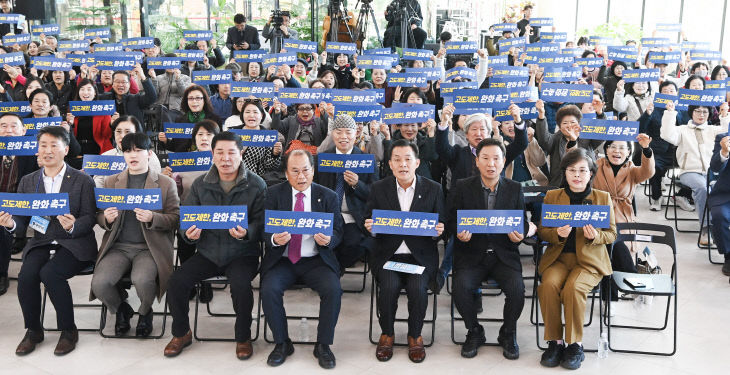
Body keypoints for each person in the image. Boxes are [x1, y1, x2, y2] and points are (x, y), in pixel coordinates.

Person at [163, 131, 266, 359]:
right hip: (208, 252)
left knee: (241, 287)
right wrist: (189, 234)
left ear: (242, 153)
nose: (225, 158)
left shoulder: (256, 185)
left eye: (231, 152)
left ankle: (243, 336)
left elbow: (261, 222)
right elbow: (186, 220)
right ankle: (181, 332)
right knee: (177, 282)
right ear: (212, 154)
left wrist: (247, 232)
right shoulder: (200, 184)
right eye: (220, 152)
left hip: (242, 253)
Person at [2, 127, 98, 356]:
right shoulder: (28, 181)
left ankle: (68, 330)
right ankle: (34, 330)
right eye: (43, 145)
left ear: (65, 149)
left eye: (54, 145)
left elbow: (91, 217)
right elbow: (22, 220)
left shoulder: (82, 180)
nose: (48, 150)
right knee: (26, 276)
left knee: (51, 273)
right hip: (42, 240)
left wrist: (73, 225)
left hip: (74, 242)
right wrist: (10, 224)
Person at [448, 138, 533, 360]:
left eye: (496, 158)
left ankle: (508, 332)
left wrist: (519, 234)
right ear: (477, 161)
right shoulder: (463, 186)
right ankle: (474, 330)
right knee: (460, 288)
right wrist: (458, 231)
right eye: (485, 158)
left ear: (504, 161)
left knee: (517, 291)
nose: (491, 164)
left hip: (503, 254)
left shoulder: (514, 189)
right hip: (471, 253)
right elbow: (450, 220)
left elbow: (521, 221)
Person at [260, 149, 344, 369]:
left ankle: (323, 345)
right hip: (283, 259)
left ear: (313, 171)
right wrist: (275, 240)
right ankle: (282, 343)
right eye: (294, 171)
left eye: (306, 170)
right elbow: (263, 230)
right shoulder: (273, 194)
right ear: (286, 174)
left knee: (333, 289)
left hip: (316, 259)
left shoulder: (328, 196)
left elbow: (338, 231)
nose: (301, 176)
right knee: (268, 289)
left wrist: (328, 240)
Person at [90, 133, 179, 337]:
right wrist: (107, 219)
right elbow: (99, 215)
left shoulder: (166, 183)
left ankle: (145, 311)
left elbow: (175, 218)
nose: (133, 155)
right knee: (100, 283)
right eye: (128, 150)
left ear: (149, 153)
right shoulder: (112, 181)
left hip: (149, 248)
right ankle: (121, 308)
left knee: (143, 279)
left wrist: (152, 218)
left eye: (138, 150)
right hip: (118, 246)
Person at [364, 139, 444, 363]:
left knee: (418, 288)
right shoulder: (379, 188)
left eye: (408, 159)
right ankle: (387, 333)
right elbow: (367, 218)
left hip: (419, 258)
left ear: (417, 162)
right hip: (389, 256)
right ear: (390, 164)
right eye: (397, 160)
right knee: (388, 287)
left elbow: (443, 224)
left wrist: (439, 230)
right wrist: (370, 226)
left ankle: (415, 335)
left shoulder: (433, 189)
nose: (403, 164)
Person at [537, 148, 616, 370]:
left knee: (573, 288)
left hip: (589, 262)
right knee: (548, 286)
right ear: (565, 172)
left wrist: (596, 236)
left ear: (591, 173)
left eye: (582, 170)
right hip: (559, 258)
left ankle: (574, 344)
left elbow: (612, 234)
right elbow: (542, 231)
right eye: (572, 170)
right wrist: (557, 234)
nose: (577, 175)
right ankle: (555, 342)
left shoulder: (602, 198)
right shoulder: (553, 197)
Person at [592, 135, 654, 304]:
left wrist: (646, 150)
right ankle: (635, 280)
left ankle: (610, 299)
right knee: (608, 244)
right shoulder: (596, 166)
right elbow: (577, 166)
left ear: (628, 152)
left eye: (622, 148)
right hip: (599, 216)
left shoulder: (632, 170)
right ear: (605, 150)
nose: (616, 151)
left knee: (612, 244)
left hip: (622, 217)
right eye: (612, 147)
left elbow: (648, 172)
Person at [661, 101, 730, 244]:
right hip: (689, 171)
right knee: (703, 188)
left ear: (709, 114)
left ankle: (719, 226)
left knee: (710, 188)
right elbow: (667, 135)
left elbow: (726, 131)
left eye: (705, 112)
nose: (701, 114)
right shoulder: (682, 130)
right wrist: (669, 113)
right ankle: (706, 228)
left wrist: (724, 115)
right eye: (697, 111)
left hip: (713, 173)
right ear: (691, 113)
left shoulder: (713, 129)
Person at [315, 115, 378, 271]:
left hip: (353, 215)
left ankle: (334, 270)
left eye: (348, 132)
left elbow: (375, 194)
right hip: (327, 214)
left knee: (355, 244)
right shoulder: (323, 159)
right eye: (338, 132)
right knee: (322, 242)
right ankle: (332, 273)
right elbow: (313, 188)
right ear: (332, 134)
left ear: (356, 133)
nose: (343, 137)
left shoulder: (366, 160)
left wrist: (357, 184)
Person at [0, 113, 40, 296]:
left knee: (3, 225)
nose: (8, 130)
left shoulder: (33, 154)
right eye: (3, 126)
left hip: (19, 205)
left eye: (13, 126)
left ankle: (1, 273)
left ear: (24, 131)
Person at [534, 101, 603, 187]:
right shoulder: (556, 139)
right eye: (565, 123)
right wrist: (541, 114)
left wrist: (600, 114)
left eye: (573, 122)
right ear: (559, 126)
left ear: (579, 123)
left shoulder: (587, 137)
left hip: (585, 185)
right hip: (559, 186)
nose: (569, 126)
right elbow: (543, 139)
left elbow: (601, 135)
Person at [94, 116, 162, 187]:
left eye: (127, 132)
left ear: (137, 133)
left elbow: (155, 183)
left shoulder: (148, 155)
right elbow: (98, 184)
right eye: (118, 132)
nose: (122, 136)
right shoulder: (105, 156)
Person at [226, 99, 283, 178]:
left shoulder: (268, 136)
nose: (251, 115)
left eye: (255, 112)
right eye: (247, 112)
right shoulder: (232, 133)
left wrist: (275, 154)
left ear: (262, 115)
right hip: (233, 177)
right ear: (242, 115)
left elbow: (271, 167)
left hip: (257, 180)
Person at [158, 85, 222, 153]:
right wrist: (165, 140)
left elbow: (220, 144)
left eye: (198, 98)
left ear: (204, 100)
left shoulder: (215, 120)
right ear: (186, 101)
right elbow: (175, 147)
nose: (194, 101)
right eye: (191, 98)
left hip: (208, 160)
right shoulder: (180, 120)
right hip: (186, 160)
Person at [709, 133, 730, 279]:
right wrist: (724, 152)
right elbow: (715, 167)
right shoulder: (723, 138)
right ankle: (728, 255)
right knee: (719, 215)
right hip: (725, 193)